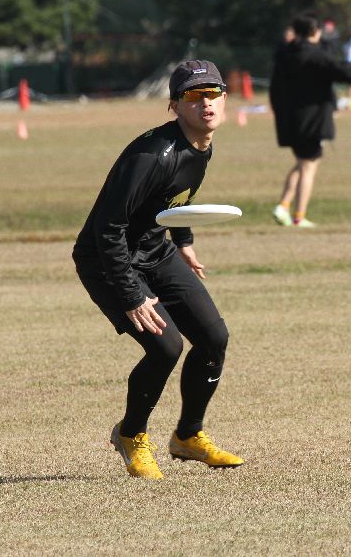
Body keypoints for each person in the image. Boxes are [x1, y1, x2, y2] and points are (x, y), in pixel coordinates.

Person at [72, 59, 244, 480]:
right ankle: (130, 434)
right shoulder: (152, 155)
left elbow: (175, 200)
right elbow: (107, 228)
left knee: (213, 339)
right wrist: (131, 294)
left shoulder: (202, 144)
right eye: (193, 96)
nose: (206, 103)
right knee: (166, 347)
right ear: (174, 106)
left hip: (154, 250)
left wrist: (183, 241)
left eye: (214, 93)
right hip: (106, 259)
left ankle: (187, 436)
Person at [270, 13, 351, 228]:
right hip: (311, 118)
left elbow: (276, 89)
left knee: (303, 161)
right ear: (315, 32)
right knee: (309, 166)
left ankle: (283, 206)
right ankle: (299, 217)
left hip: (289, 118)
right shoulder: (315, 55)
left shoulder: (284, 55)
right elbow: (345, 70)